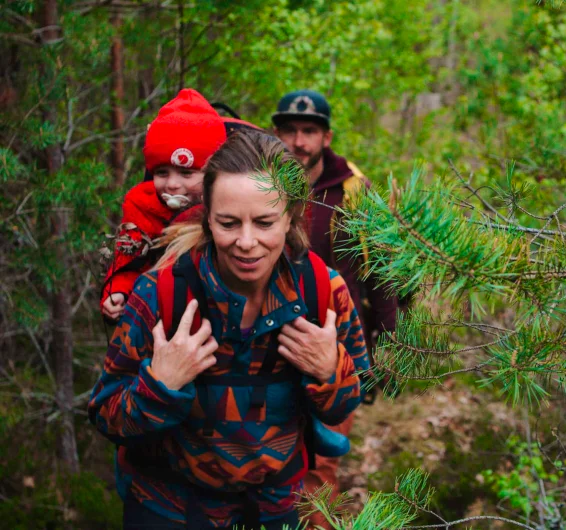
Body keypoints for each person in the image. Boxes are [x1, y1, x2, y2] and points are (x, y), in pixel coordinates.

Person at [88, 129, 369, 529]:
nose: (247, 242)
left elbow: (345, 405)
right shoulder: (162, 292)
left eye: (265, 222)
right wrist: (161, 384)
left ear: (290, 216)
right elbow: (105, 414)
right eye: (228, 223)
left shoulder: (321, 291)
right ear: (207, 218)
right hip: (169, 509)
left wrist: (328, 370)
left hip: (275, 509)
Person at [273, 89, 398, 526]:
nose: (298, 141)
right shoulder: (261, 184)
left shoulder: (352, 188)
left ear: (326, 137)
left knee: (321, 467)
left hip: (337, 349)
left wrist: (383, 352)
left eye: (309, 131)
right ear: (277, 133)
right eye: (289, 130)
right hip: (270, 348)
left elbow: (380, 271)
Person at [101, 88, 227, 321]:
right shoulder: (142, 206)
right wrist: (118, 290)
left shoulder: (228, 207)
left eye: (186, 173)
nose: (172, 184)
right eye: (161, 172)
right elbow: (128, 258)